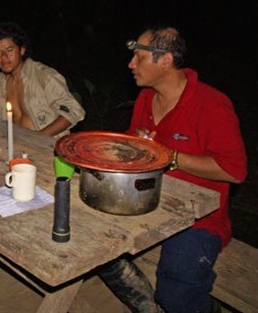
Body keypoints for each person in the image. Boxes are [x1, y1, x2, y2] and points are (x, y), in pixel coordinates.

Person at [98, 25, 247, 313]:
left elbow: (235, 170)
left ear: (165, 61)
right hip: (147, 202)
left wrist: (170, 156)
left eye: (139, 57)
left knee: (176, 295)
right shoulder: (146, 98)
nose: (131, 64)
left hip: (197, 217)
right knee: (93, 242)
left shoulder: (211, 105)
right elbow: (136, 152)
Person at [0, 22, 84, 137]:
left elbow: (73, 110)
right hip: (13, 145)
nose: (3, 57)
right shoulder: (0, 81)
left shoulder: (44, 76)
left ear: (22, 50)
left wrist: (38, 138)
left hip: (47, 147)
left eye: (9, 50)